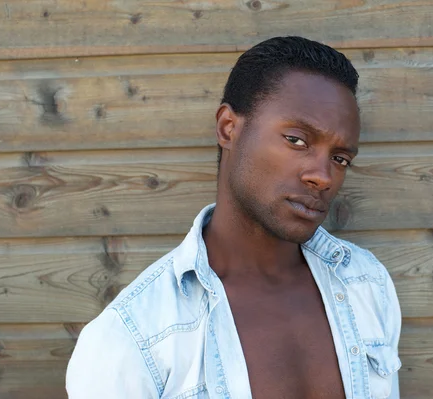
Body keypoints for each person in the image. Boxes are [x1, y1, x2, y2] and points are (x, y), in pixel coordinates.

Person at [66, 36, 401, 399]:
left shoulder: (365, 283)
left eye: (340, 159)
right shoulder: (132, 338)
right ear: (229, 128)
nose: (322, 176)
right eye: (297, 140)